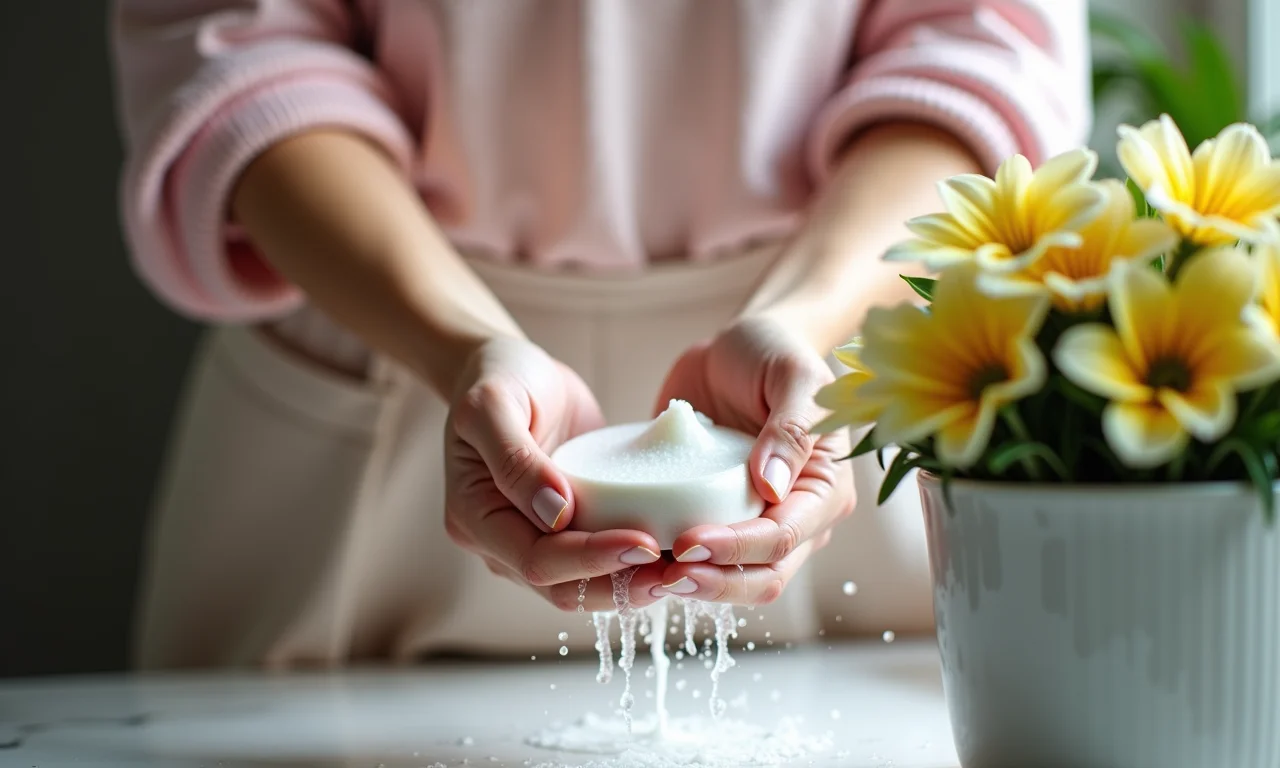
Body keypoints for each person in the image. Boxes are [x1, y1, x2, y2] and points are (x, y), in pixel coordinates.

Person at [111, 0, 1088, 669]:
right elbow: (242, 47)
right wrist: (464, 347)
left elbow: (978, 39)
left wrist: (801, 315)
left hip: (820, 380)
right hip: (380, 362)